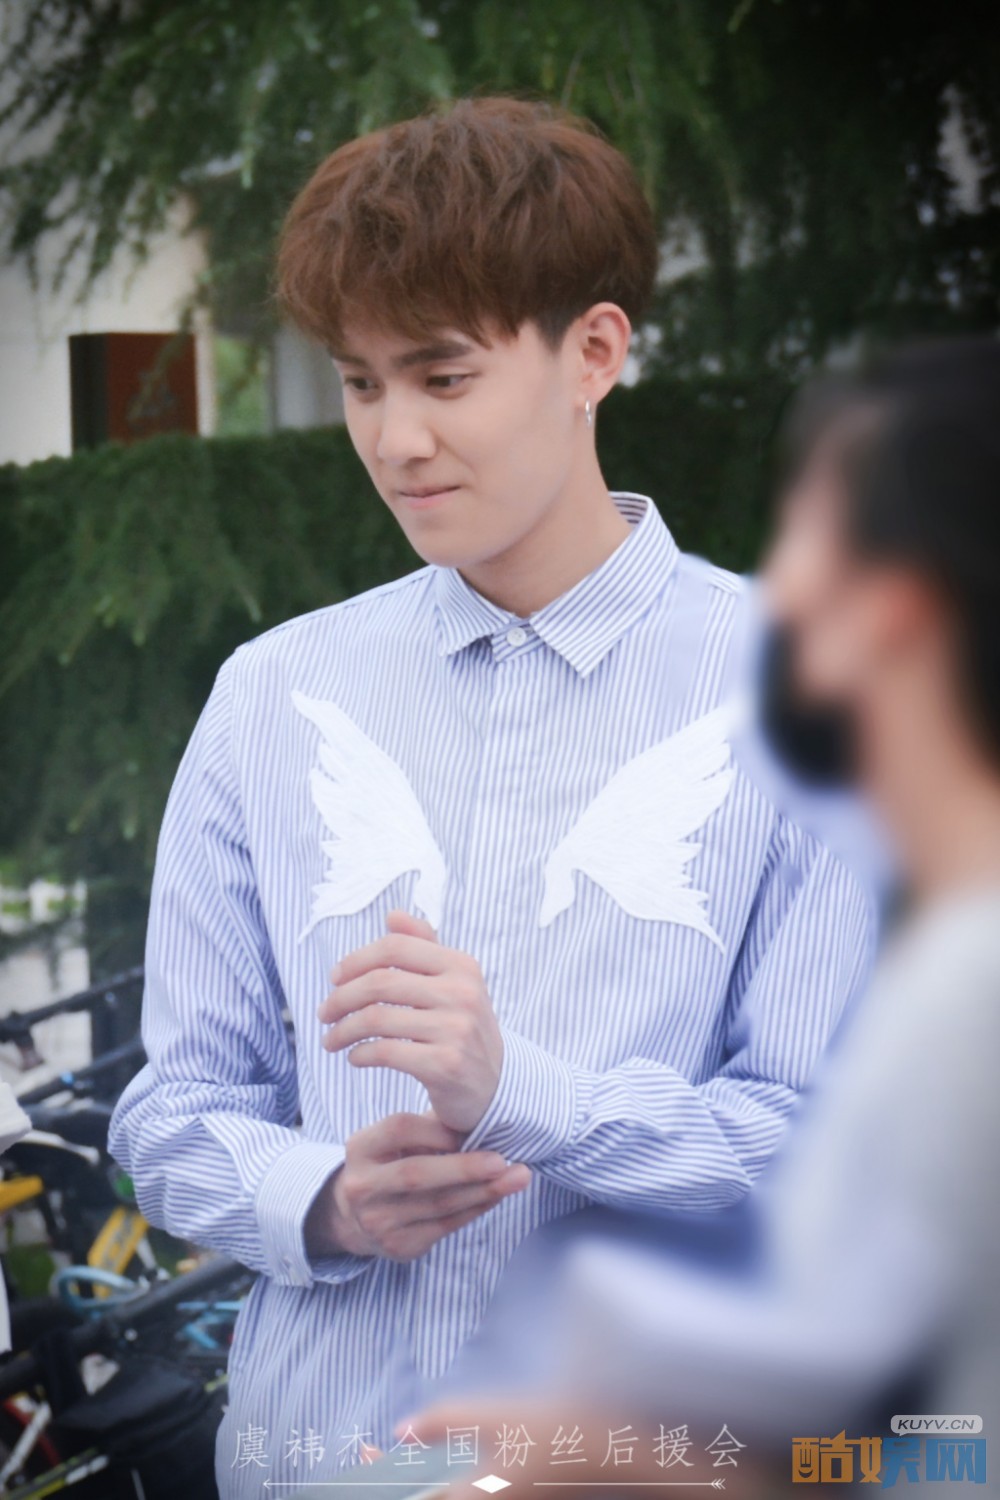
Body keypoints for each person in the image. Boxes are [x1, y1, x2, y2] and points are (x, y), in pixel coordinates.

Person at [107, 97, 872, 1496]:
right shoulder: (276, 695)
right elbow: (172, 1115)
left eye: (443, 376)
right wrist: (324, 1201)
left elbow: (831, 1155)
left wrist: (526, 1095)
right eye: (359, 382)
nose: (394, 437)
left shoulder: (803, 691)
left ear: (595, 353)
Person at [405, 337, 1000, 1497]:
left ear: (891, 610)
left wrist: (631, 1465)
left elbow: (949, 1452)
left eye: (804, 534)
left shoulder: (968, 991)